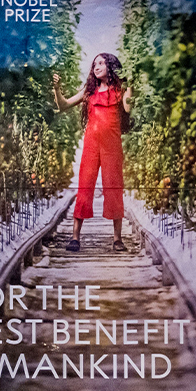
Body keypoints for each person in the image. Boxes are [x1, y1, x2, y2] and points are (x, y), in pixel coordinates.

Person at [53, 53, 133, 252]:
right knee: (85, 186)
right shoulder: (89, 92)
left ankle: (117, 239)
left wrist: (131, 84)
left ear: (111, 66)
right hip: (91, 144)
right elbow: (63, 105)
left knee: (114, 187)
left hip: (112, 146)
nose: (96, 67)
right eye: (94, 64)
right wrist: (57, 89)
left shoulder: (120, 90)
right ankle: (75, 238)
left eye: (101, 63)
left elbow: (128, 109)